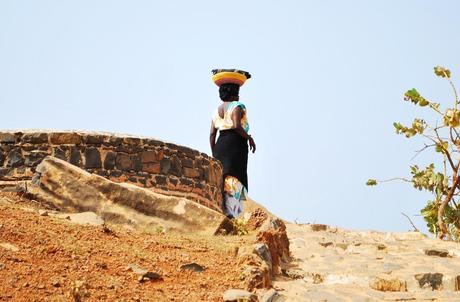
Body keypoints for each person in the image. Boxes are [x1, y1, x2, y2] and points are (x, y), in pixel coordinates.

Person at [209, 69, 256, 219]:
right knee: (234, 177)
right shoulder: (237, 105)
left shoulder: (216, 111)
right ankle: (232, 214)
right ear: (233, 92)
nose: (239, 93)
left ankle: (225, 212)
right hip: (235, 145)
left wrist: (214, 153)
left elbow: (211, 135)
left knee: (224, 177)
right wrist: (249, 138)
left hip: (220, 144)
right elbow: (236, 125)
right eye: (237, 90)